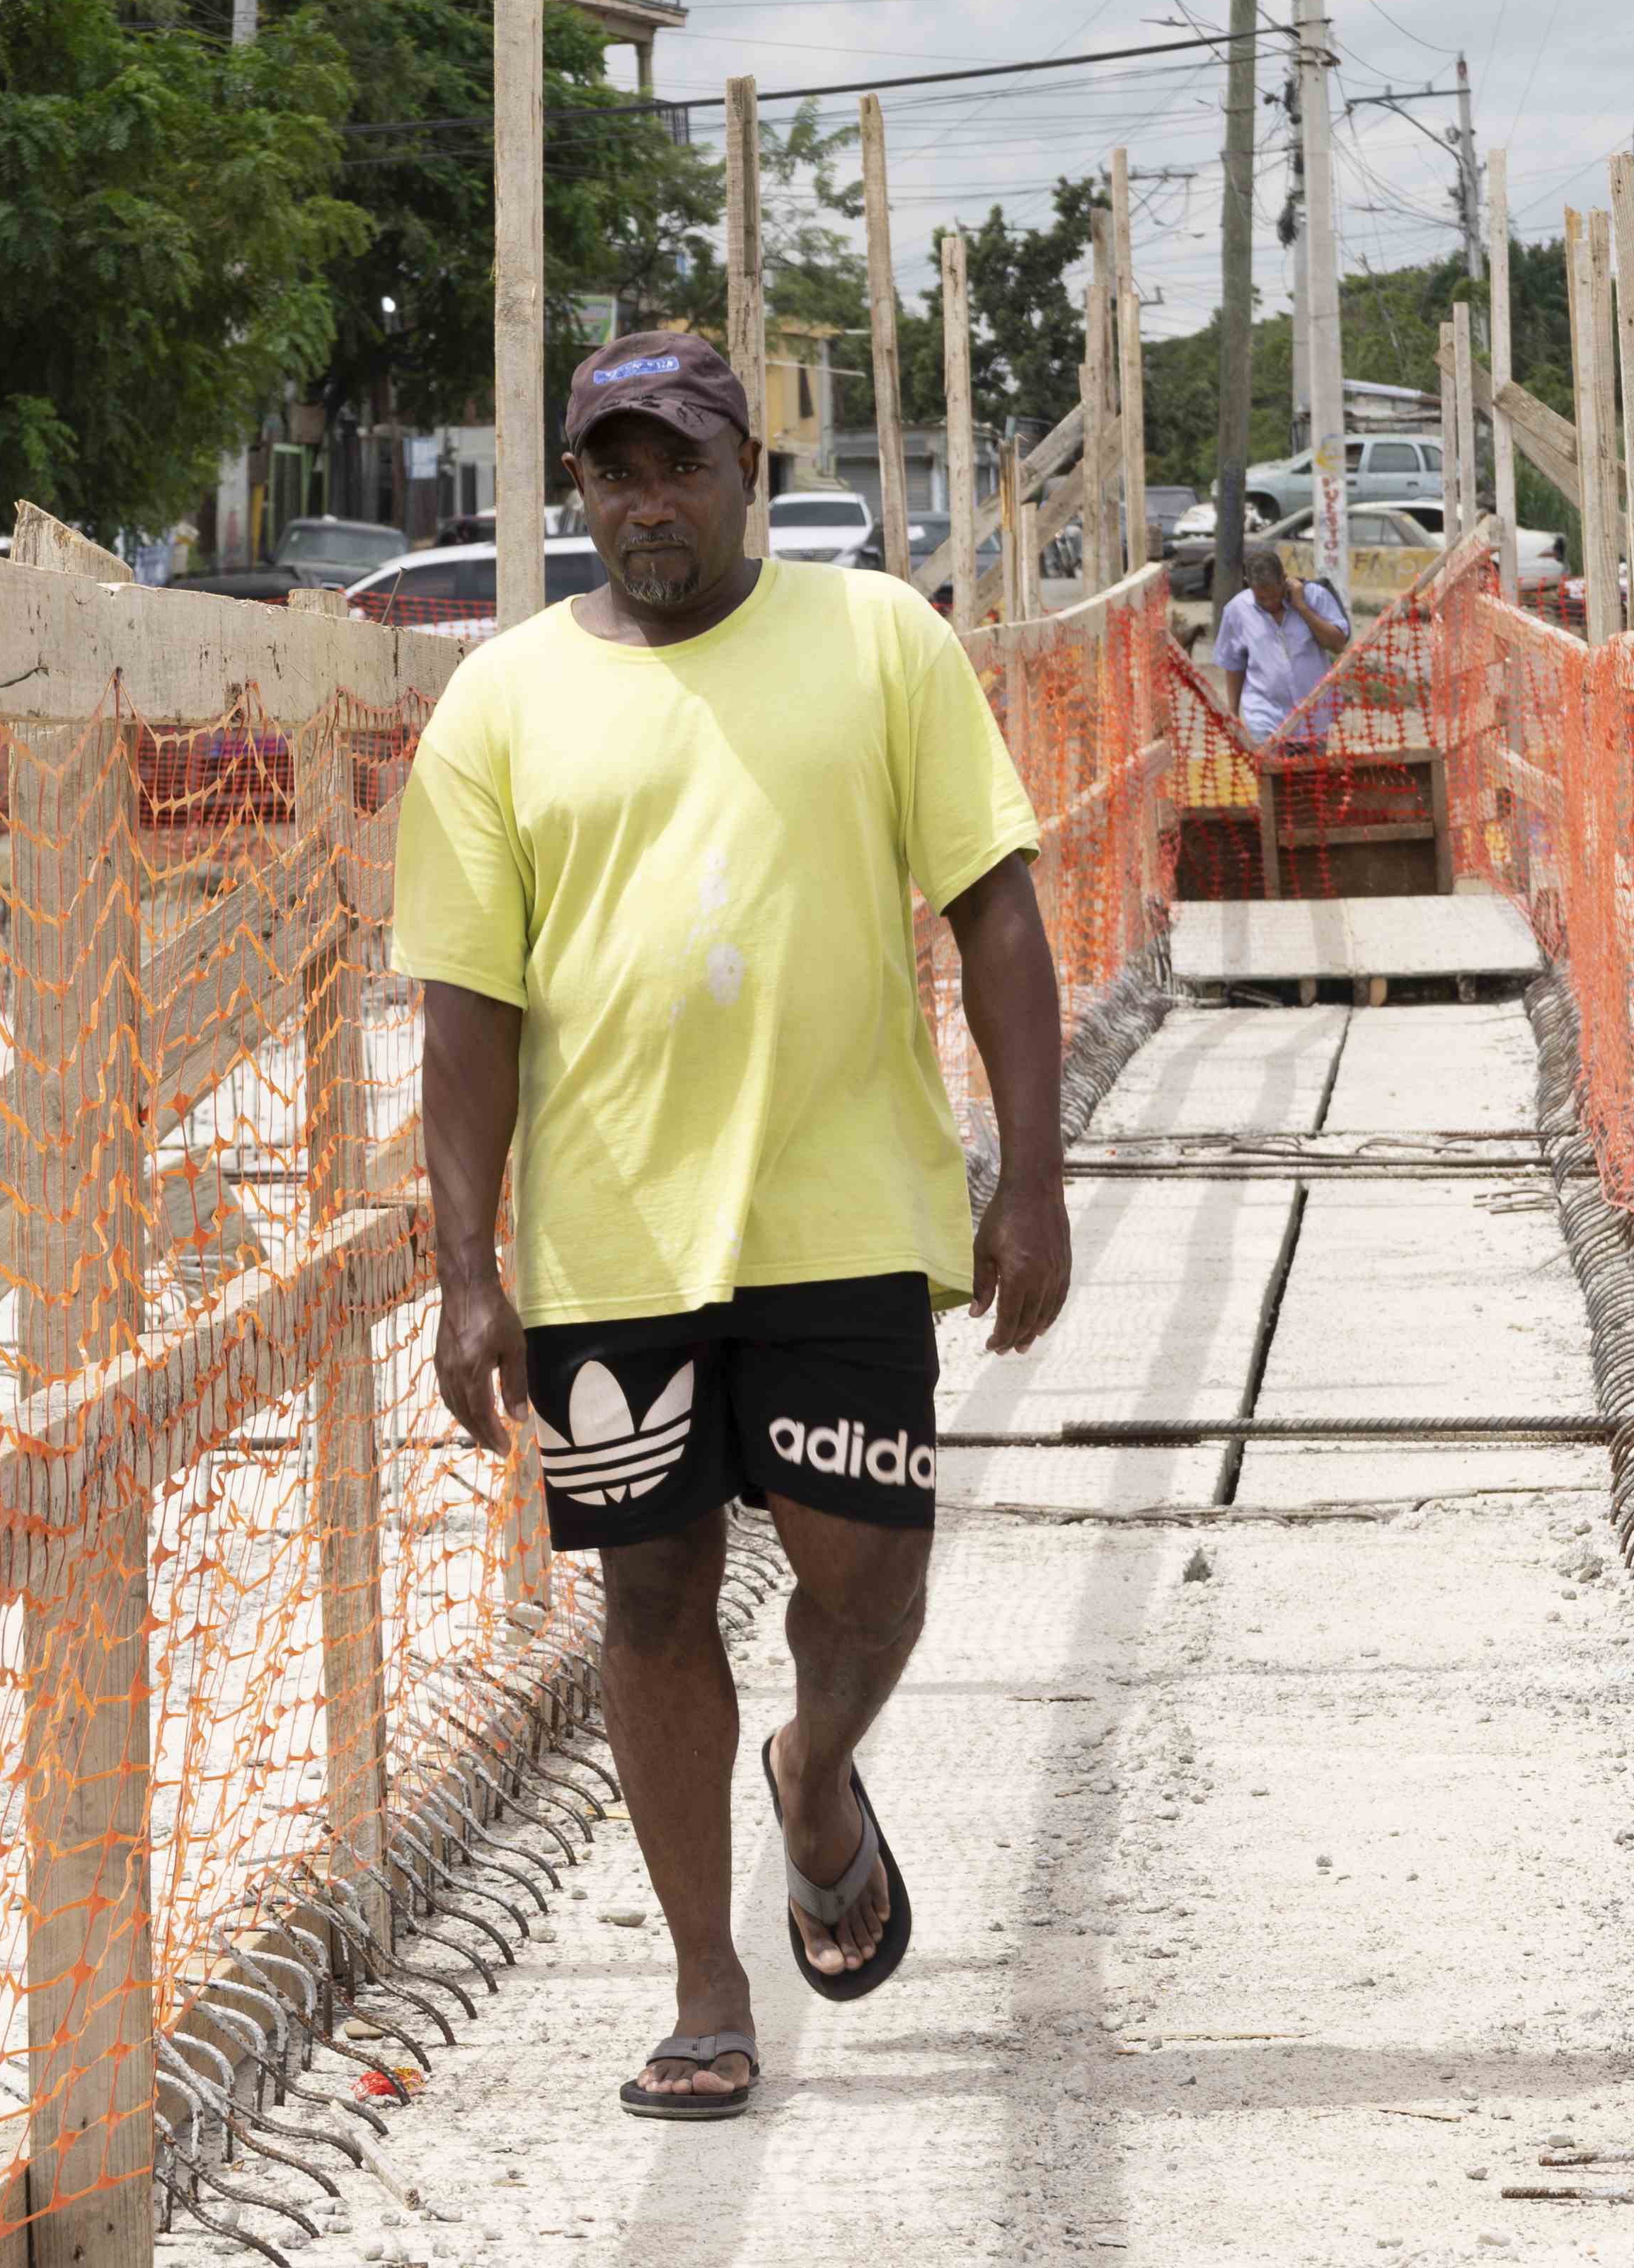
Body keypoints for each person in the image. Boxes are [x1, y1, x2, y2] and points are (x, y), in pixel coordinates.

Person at [389, 331, 1076, 2122]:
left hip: (846, 1206)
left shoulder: (877, 644)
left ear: (746, 470)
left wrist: (1038, 1178)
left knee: (868, 1573)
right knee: (650, 1590)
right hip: (617, 1239)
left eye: (676, 464)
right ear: (577, 493)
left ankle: (820, 1768)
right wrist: (465, 1273)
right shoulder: (501, 700)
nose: (643, 502)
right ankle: (708, 1979)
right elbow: (465, 1008)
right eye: (611, 471)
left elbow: (997, 909)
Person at [1214, 542, 1352, 744]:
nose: (1270, 603)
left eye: (1275, 595)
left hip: (1313, 718)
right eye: (1262, 598)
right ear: (1248, 584)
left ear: (1284, 578)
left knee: (1312, 776)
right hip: (1265, 719)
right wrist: (1233, 713)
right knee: (1270, 774)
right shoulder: (1237, 610)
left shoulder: (1315, 596)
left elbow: (1337, 644)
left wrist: (1302, 608)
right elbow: (1234, 664)